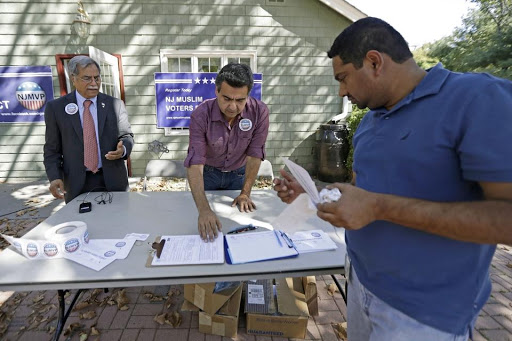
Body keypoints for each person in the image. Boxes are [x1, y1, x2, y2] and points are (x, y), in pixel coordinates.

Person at [274, 17, 512, 341]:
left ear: (374, 62)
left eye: (343, 78)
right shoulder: (371, 121)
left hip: (423, 315)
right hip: (359, 286)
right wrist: (313, 191)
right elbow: (363, 196)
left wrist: (379, 207)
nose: (342, 91)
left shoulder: (477, 98)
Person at [185, 63, 270, 242]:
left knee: (239, 227)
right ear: (216, 91)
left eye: (240, 100)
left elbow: (255, 154)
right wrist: (204, 210)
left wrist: (245, 193)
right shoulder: (201, 115)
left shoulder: (259, 112)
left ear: (248, 95)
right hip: (208, 175)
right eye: (226, 98)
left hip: (239, 174)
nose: (232, 106)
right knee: (202, 229)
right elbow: (195, 163)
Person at [44, 56, 134, 203]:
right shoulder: (56, 108)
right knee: (82, 225)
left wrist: (123, 149)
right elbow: (51, 149)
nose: (94, 83)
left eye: (97, 78)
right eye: (87, 78)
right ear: (73, 79)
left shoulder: (115, 105)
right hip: (76, 183)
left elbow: (127, 136)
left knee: (118, 223)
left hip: (113, 180)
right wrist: (54, 177)